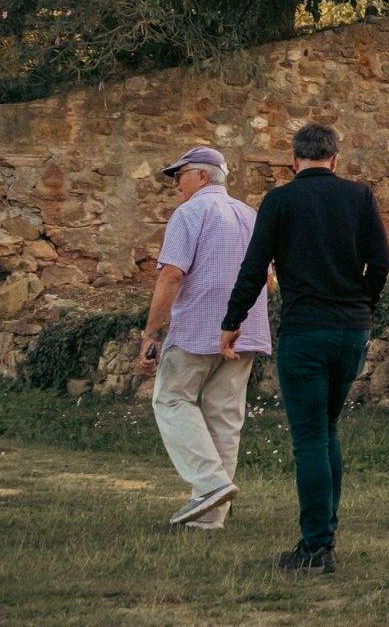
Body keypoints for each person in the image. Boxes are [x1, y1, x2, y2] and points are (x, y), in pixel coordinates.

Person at [221, 122, 389, 576]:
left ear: (294, 161)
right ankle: (325, 534)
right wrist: (363, 303)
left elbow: (254, 268)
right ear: (335, 157)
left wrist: (232, 321)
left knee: (311, 437)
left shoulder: (279, 201)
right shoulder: (360, 197)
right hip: (351, 330)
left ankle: (317, 548)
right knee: (328, 428)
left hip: (305, 330)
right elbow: (382, 261)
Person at [137, 145, 271, 532]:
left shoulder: (190, 213)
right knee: (225, 416)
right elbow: (267, 277)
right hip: (246, 327)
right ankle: (211, 516)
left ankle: (210, 483)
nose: (176, 185)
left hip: (198, 326)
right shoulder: (251, 215)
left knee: (171, 398)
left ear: (201, 175)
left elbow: (172, 276)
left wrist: (151, 332)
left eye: (178, 176)